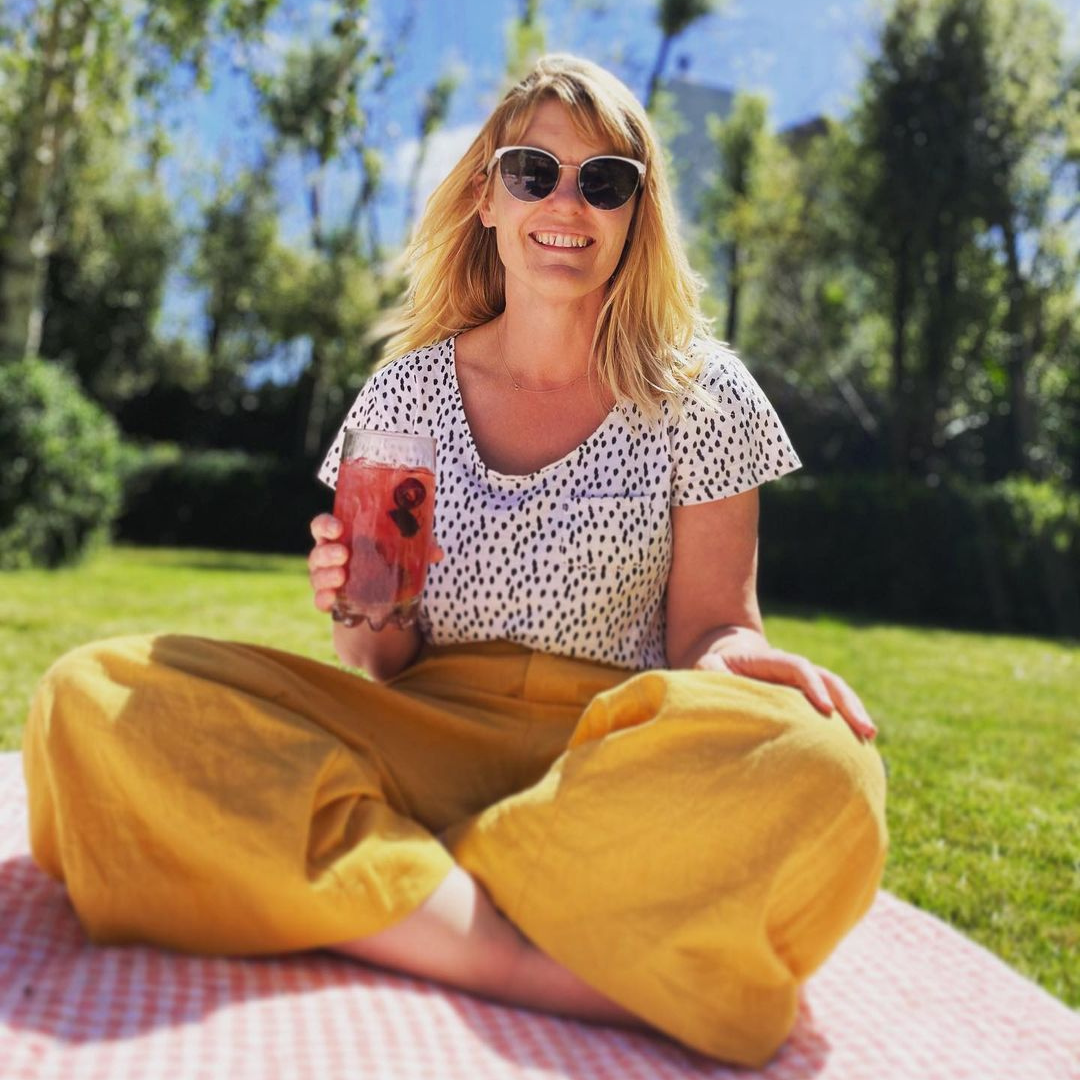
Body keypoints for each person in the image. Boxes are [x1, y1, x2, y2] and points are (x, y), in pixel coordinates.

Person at [22, 54, 887, 1068]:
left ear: (635, 213)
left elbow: (712, 629)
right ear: (486, 194)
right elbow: (379, 662)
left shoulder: (704, 395)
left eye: (604, 181)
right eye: (533, 171)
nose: (567, 202)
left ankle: (394, 885)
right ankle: (523, 954)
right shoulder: (405, 395)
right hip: (415, 729)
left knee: (830, 766)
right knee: (97, 697)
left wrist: (739, 657)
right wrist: (355, 606)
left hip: (603, 764)